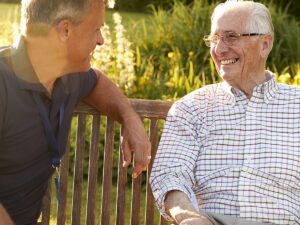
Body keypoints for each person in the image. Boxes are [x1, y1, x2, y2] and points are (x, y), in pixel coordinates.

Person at [0, 0, 151, 224]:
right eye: (97, 29)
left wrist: (130, 118)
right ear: (66, 30)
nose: (101, 40)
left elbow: (97, 81)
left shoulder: (66, 75)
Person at [150, 1, 300, 225]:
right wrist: (189, 218)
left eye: (231, 37)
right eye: (214, 39)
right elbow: (170, 175)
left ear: (265, 44)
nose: (219, 50)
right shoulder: (192, 108)